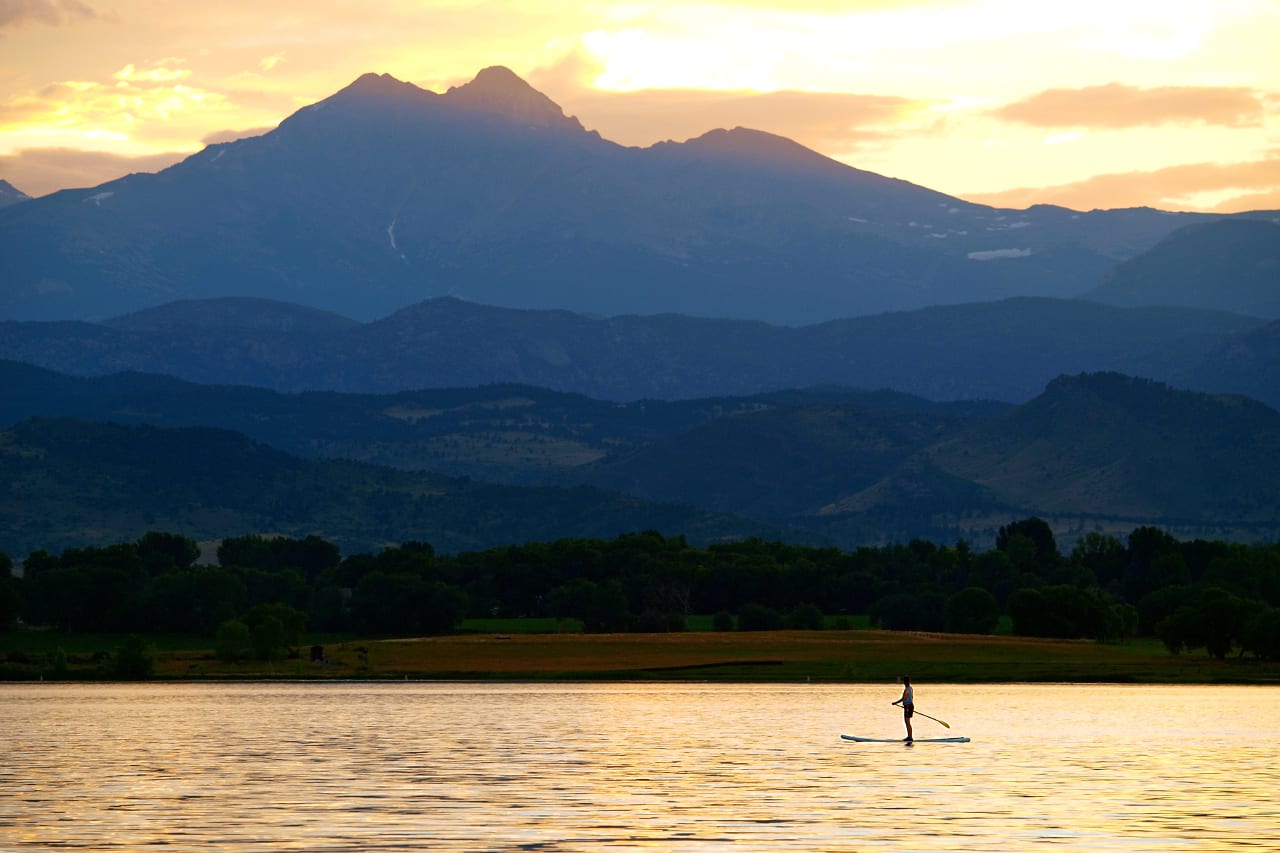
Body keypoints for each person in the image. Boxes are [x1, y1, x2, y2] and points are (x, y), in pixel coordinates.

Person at [892, 675, 914, 742]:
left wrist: (895, 703)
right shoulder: (911, 688)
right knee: (908, 722)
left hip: (907, 706)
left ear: (904, 682)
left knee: (907, 722)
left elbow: (903, 698)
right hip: (910, 705)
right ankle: (909, 736)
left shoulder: (906, 690)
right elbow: (912, 697)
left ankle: (910, 737)